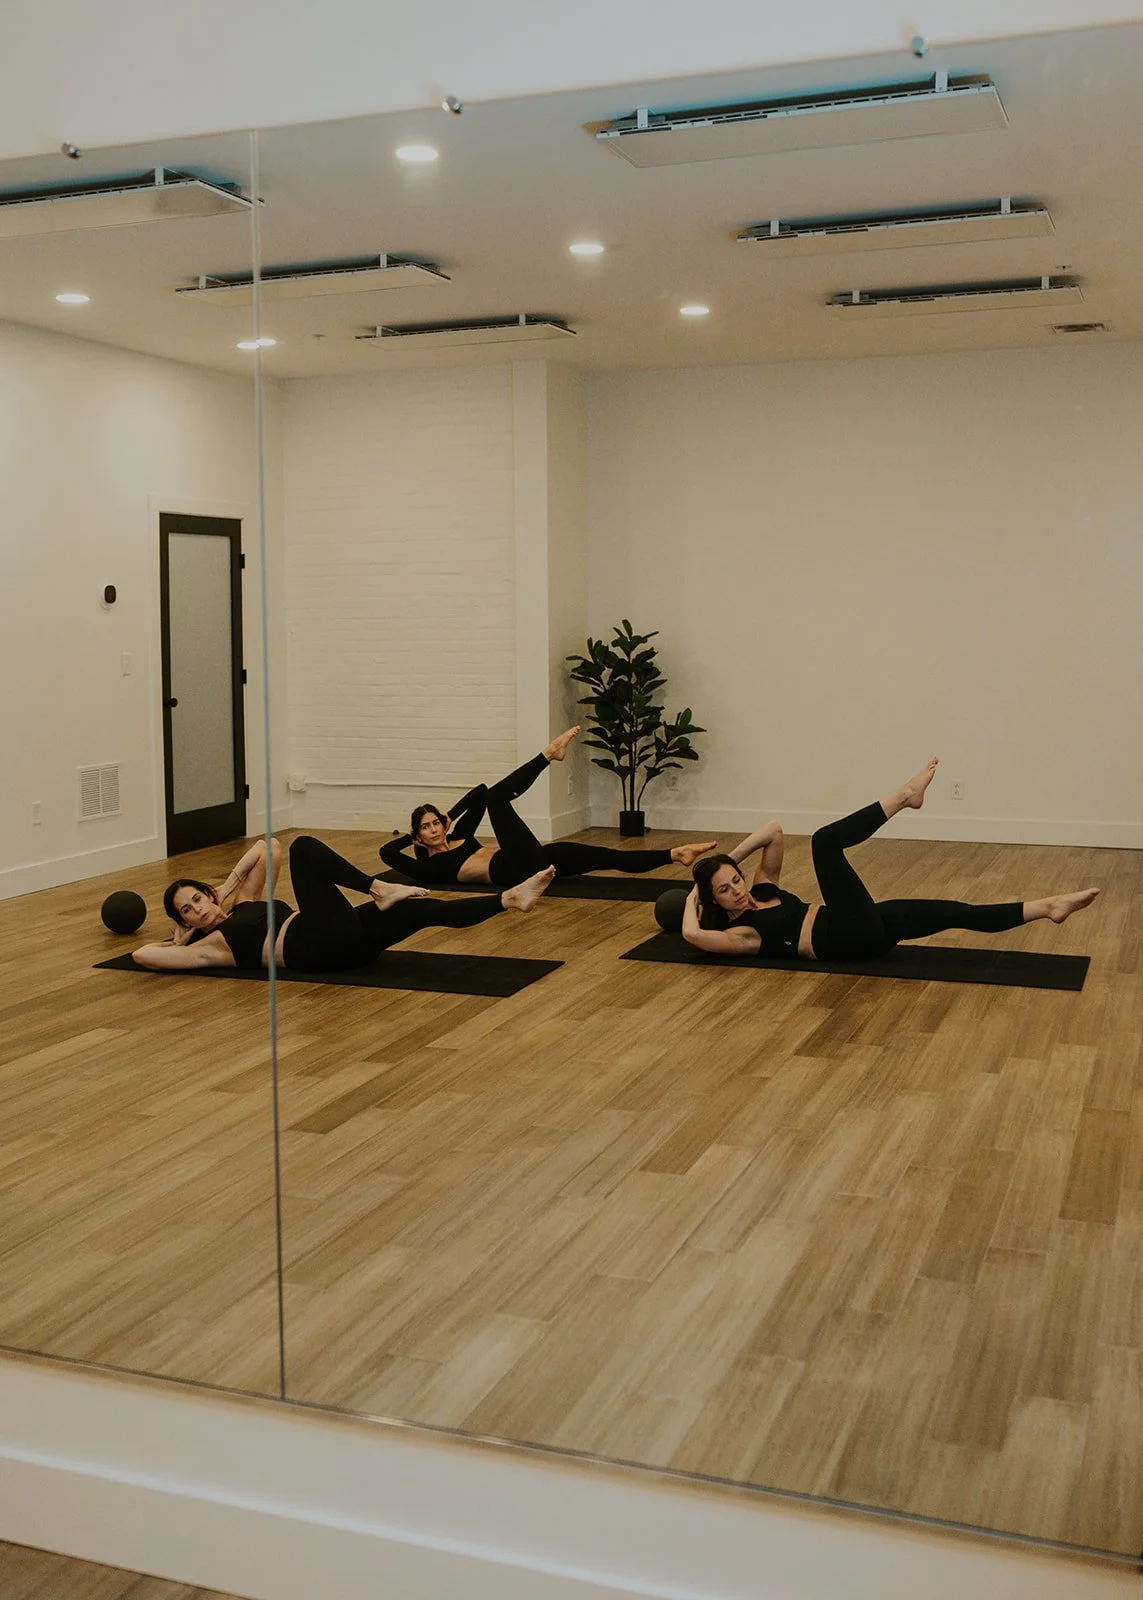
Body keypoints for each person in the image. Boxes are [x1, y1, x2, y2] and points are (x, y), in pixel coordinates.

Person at [683, 758, 1099, 962]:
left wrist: (724, 861)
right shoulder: (743, 935)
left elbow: (773, 830)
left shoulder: (761, 889)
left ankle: (1048, 907)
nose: (736, 889)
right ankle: (903, 797)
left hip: (867, 927)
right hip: (847, 940)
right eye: (724, 890)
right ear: (713, 901)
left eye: (734, 880)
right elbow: (696, 937)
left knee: (954, 911)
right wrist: (693, 897)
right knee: (825, 842)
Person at [133, 835, 554, 973]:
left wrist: (224, 888)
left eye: (196, 899)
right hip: (315, 947)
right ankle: (377, 887)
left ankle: (508, 899)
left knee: (421, 909)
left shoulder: (242, 901)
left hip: (343, 938)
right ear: (184, 922)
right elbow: (141, 954)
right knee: (305, 849)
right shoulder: (210, 947)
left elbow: (267, 847)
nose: (198, 910)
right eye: (187, 910)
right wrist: (179, 940)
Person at [380, 726, 716, 888]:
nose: (434, 828)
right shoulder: (429, 868)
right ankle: (547, 756)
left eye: (434, 822)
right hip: (515, 870)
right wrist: (410, 840)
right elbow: (387, 854)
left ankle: (675, 854)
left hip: (529, 860)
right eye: (426, 827)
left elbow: (479, 792)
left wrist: (451, 814)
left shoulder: (460, 836)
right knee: (499, 798)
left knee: (604, 856)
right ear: (419, 837)